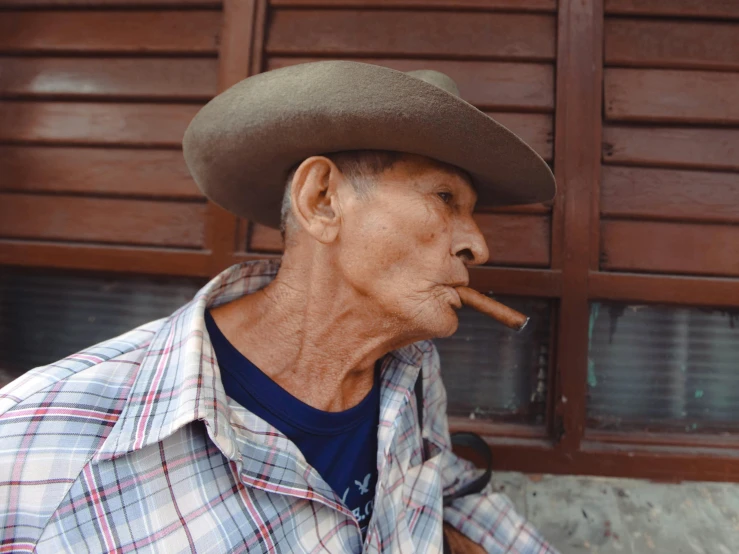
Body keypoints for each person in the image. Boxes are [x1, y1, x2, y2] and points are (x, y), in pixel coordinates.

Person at [0, 61, 559, 553]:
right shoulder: (40, 445)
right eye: (444, 198)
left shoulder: (411, 368)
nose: (477, 246)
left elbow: (446, 491)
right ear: (322, 200)